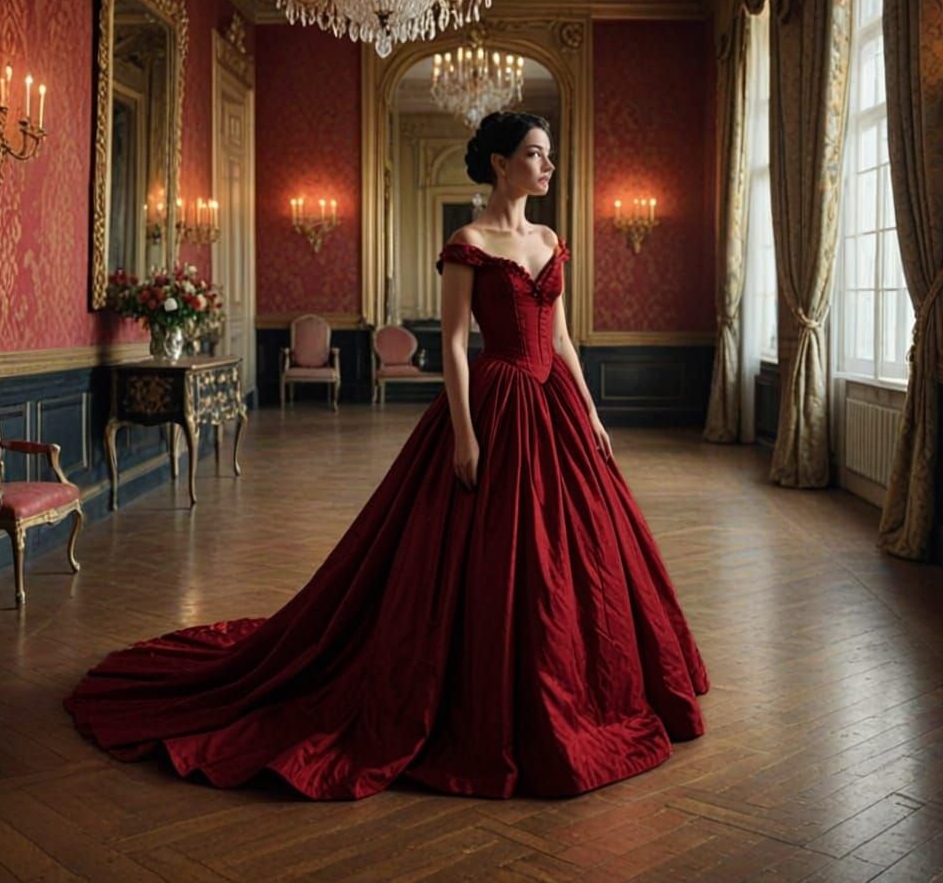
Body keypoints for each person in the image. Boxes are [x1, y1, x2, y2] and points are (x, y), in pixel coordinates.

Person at [66, 111, 709, 800]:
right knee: (480, 553)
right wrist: (465, 434)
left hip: (554, 404)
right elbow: (455, 344)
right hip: (495, 400)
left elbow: (561, 339)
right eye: (534, 154)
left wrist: (592, 410)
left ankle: (575, 681)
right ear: (500, 163)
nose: (548, 166)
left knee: (576, 553)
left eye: (548, 155)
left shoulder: (550, 240)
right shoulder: (468, 242)